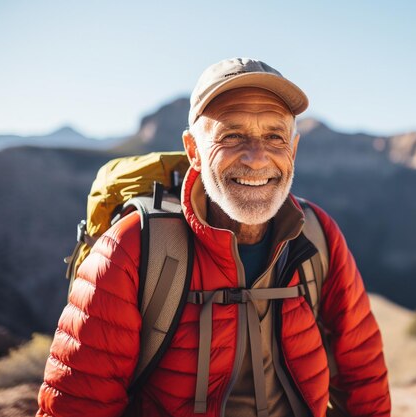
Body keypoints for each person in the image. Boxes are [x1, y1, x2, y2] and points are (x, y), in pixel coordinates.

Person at [37, 58, 391, 417]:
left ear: (293, 150)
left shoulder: (317, 234)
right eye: (232, 135)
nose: (256, 159)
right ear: (194, 151)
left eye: (274, 136)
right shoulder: (133, 246)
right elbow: (76, 404)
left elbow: (363, 374)